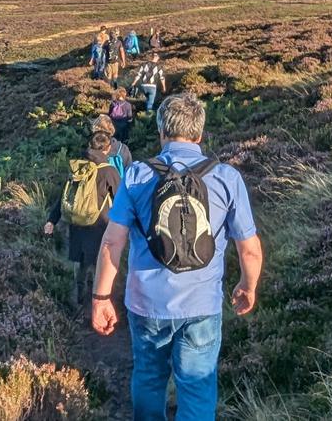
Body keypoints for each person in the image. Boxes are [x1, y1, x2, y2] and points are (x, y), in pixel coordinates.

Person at [91, 94, 263, 421]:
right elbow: (250, 249)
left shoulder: (137, 175)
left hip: (146, 305)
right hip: (201, 306)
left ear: (161, 132)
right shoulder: (227, 178)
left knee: (148, 378)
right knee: (197, 388)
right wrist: (247, 285)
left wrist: (101, 297)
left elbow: (111, 243)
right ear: (199, 134)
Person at [44, 117, 124, 316]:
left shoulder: (78, 168)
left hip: (77, 224)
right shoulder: (109, 171)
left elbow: (64, 196)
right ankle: (102, 304)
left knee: (82, 266)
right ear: (106, 149)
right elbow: (122, 200)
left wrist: (51, 220)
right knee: (102, 264)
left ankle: (80, 303)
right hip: (101, 224)